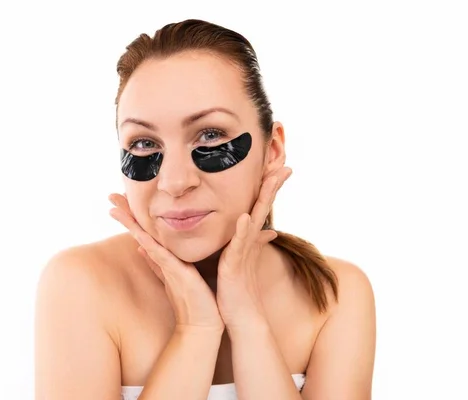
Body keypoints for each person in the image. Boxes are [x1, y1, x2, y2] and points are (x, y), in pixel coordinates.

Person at [35, 18, 376, 400]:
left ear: (272, 150)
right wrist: (196, 329)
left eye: (210, 135)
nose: (174, 182)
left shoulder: (336, 294)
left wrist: (247, 320)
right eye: (145, 143)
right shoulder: (81, 284)